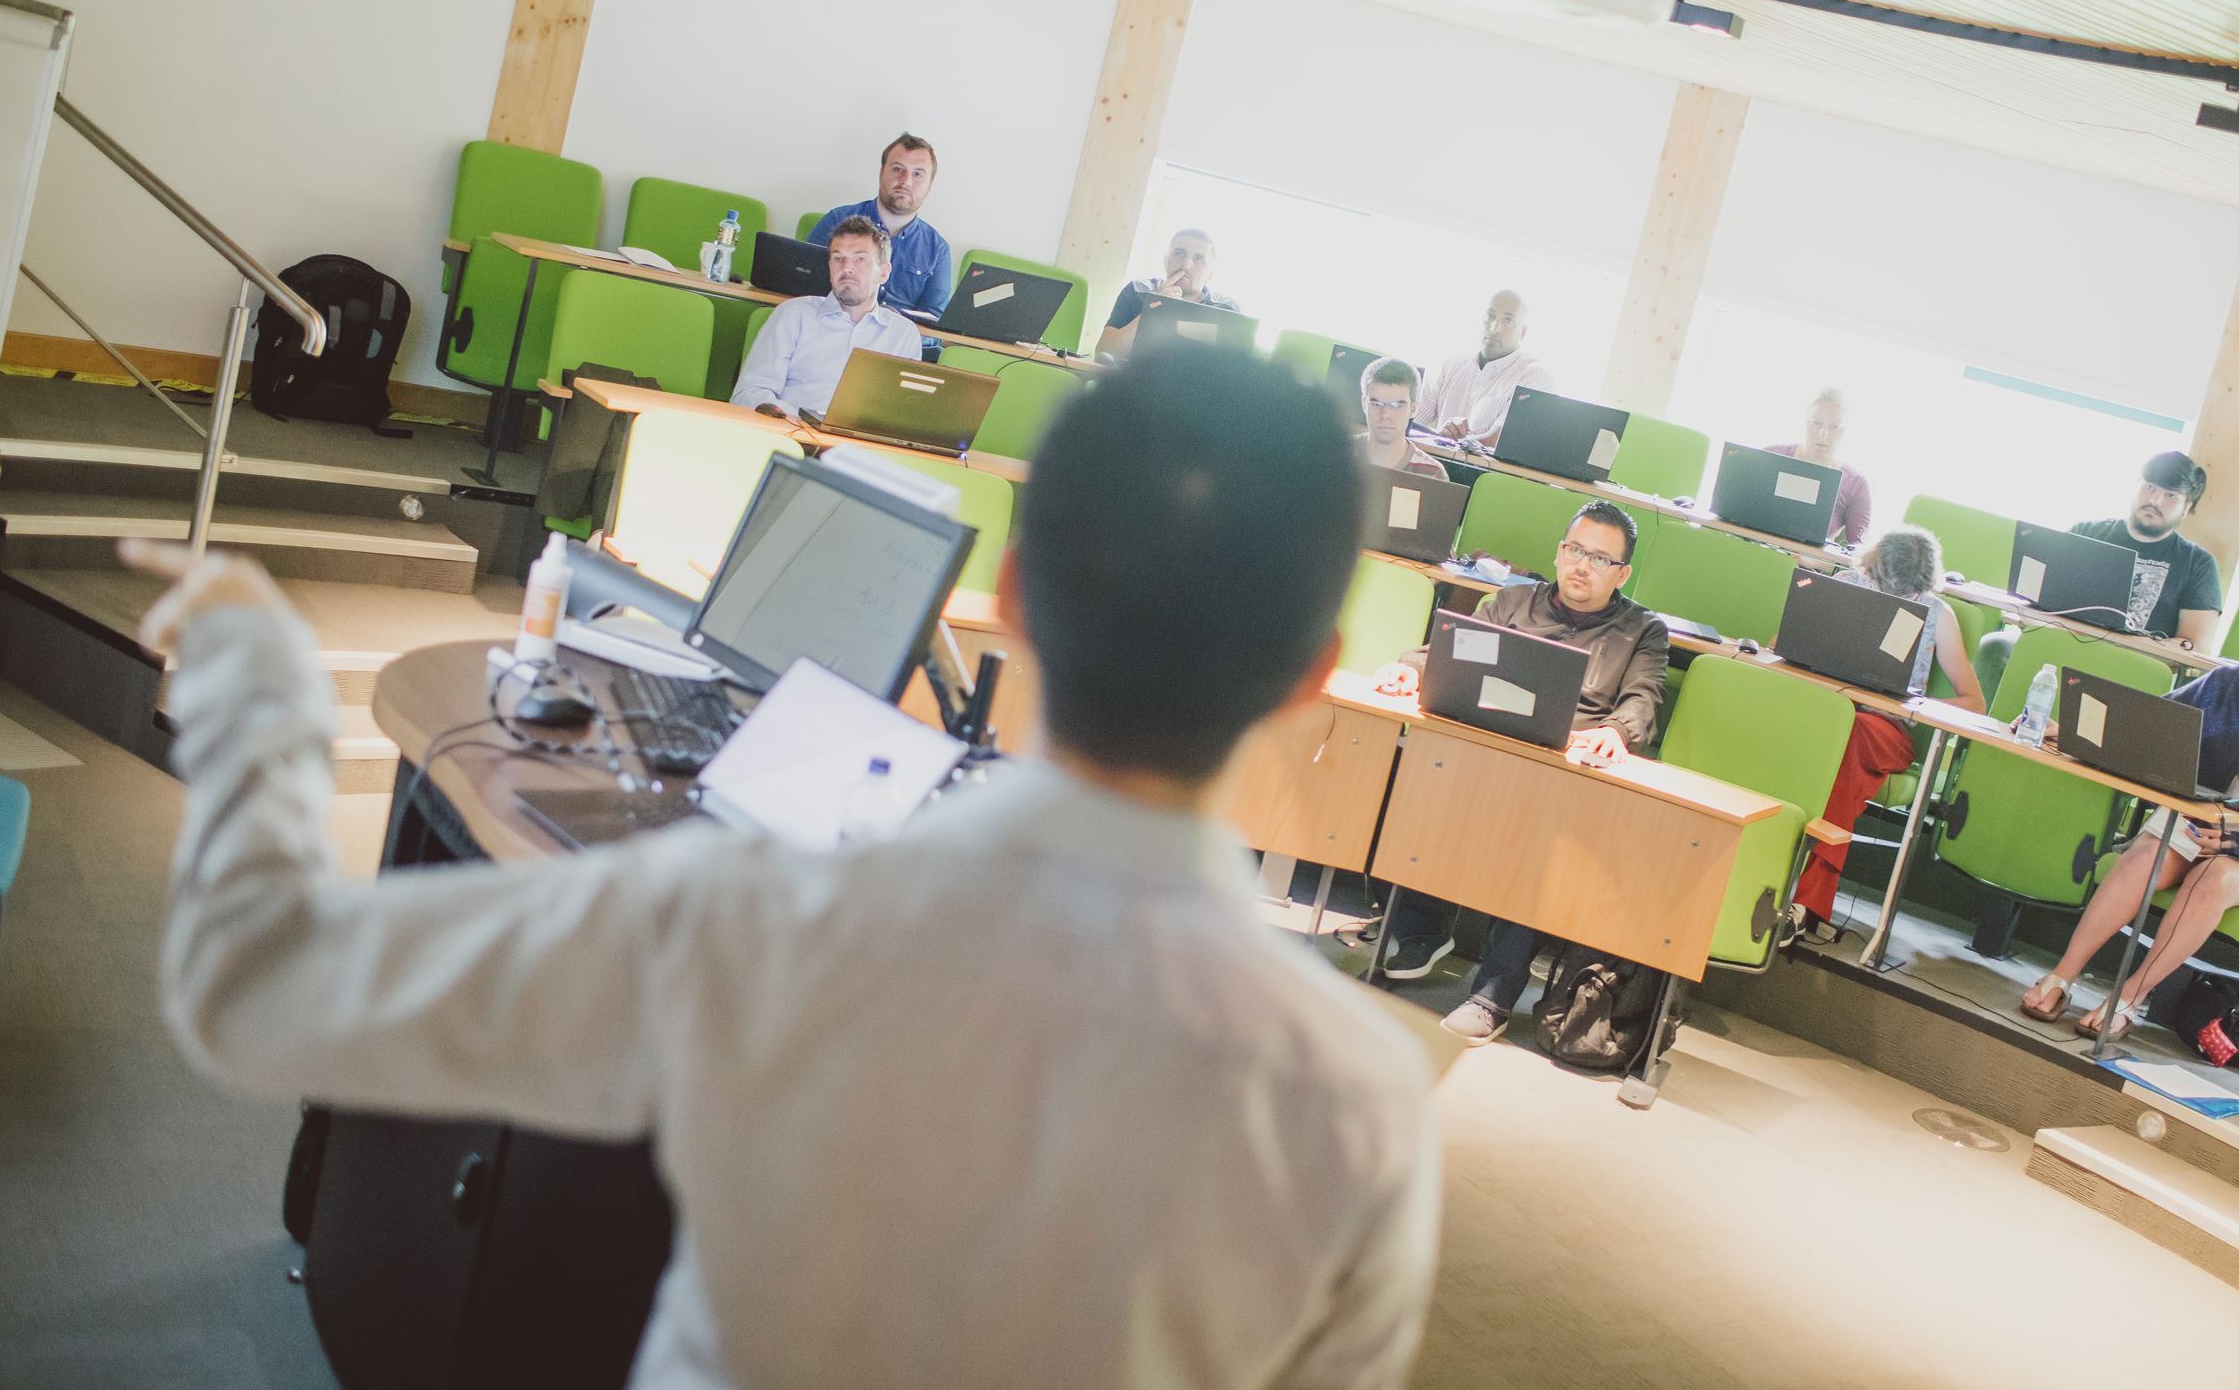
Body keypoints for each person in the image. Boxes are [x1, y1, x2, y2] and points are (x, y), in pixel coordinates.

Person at [126, 344, 1440, 1389]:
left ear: (1020, 595)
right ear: (1315, 676)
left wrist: (264, 691)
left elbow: (254, 987)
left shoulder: (764, 918)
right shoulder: (1362, 1107)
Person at [1371, 501, 1669, 1044]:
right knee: (1423, 779)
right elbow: (1446, 649)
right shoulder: (1509, 602)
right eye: (1576, 550)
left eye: (1601, 559)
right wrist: (1406, 669)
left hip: (1564, 775)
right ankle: (1420, 931)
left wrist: (1617, 731)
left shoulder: (1642, 630)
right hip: (1484, 748)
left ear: (1622, 574)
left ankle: (1494, 994)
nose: (1583, 566)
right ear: (1559, 551)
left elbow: (1643, 699)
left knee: (1538, 834)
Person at [2018, 590, 2239, 1039]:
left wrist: (2235, 841)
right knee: (2144, 858)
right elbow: (2150, 725)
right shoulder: (2225, 684)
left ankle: (2129, 997)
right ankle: (2062, 975)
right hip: (2198, 819)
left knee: (2211, 879)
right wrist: (2072, 733)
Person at [1790, 527, 1984, 924]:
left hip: (1883, 729)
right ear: (1871, 568)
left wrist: (1910, 703)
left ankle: (1806, 900)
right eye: (1882, 585)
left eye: (1906, 594)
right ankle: (1799, 900)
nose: (1892, 596)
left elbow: (1974, 702)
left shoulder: (1937, 614)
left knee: (1852, 738)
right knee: (1830, 733)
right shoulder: (1844, 585)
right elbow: (1785, 646)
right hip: (1824, 712)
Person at [730, 215, 922, 417]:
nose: (847, 268)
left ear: (883, 273)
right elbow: (748, 393)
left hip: (864, 446)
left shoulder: (903, 334)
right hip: (793, 435)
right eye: (838, 258)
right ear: (830, 268)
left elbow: (903, 414)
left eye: (860, 259)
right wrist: (799, 420)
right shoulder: (794, 315)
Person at [2071, 450, 2225, 646]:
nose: (2155, 501)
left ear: (2186, 508)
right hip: (2067, 648)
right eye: (2150, 487)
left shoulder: (2197, 563)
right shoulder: (2085, 533)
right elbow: (2043, 601)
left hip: (2136, 667)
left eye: (2170, 495)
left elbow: (2192, 645)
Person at [807, 132, 952, 328]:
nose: (906, 181)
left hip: (897, 346)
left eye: (918, 174)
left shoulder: (938, 249)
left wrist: (898, 328)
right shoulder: (836, 221)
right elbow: (804, 287)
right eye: (897, 169)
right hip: (831, 329)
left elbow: (934, 324)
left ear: (929, 185)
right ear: (882, 172)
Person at [1419, 290, 1551, 446]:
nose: (1495, 327)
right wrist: (1439, 437)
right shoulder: (1451, 363)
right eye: (1491, 316)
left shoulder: (1535, 376)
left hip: (1484, 470)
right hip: (1434, 463)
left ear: (1522, 332)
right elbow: (1410, 422)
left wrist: (1442, 440)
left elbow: (1497, 441)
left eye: (1508, 320)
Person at [1094, 228, 1239, 360]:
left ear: (1211, 274)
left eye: (1198, 258)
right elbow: (1105, 352)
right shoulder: (1137, 291)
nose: (1186, 265)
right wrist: (1155, 305)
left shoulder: (1225, 308)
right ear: (1166, 261)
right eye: (1179, 254)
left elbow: (1233, 369)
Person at [1762, 388, 1871, 544]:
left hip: (1805, 566)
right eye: (1816, 423)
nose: (1823, 434)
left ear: (1845, 430)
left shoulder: (1856, 484)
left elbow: (1856, 556)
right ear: (1805, 422)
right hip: (1755, 554)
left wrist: (1815, 563)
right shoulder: (1771, 457)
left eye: (1834, 426)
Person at [1354, 356, 1448, 480]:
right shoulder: (1334, 453)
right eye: (1377, 404)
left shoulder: (1433, 473)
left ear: (1413, 409)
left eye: (1397, 406)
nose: (1386, 414)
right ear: (1364, 404)